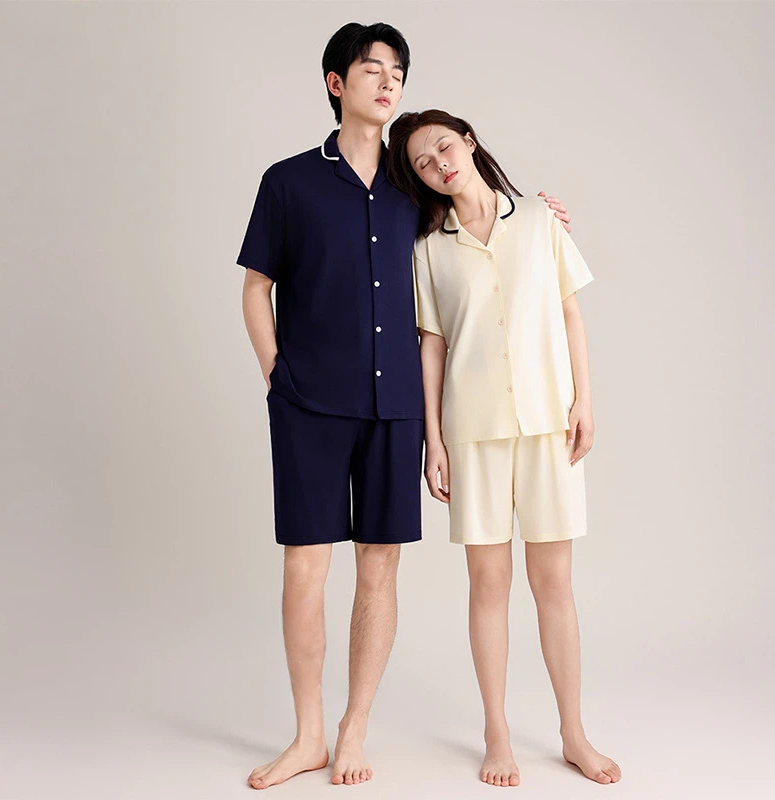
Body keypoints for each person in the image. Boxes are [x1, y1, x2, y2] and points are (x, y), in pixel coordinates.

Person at [236, 24, 573, 789]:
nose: (389, 82)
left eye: (398, 71)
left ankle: (353, 728)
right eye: (372, 69)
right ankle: (307, 736)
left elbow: (487, 219)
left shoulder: (415, 187)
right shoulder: (288, 182)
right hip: (309, 404)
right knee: (305, 568)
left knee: (380, 568)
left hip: (396, 409)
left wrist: (546, 212)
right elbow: (256, 286)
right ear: (336, 83)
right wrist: (277, 376)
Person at [387, 109, 622, 788]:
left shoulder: (542, 220)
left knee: (555, 584)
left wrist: (584, 400)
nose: (439, 164)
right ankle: (496, 733)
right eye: (424, 163)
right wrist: (433, 440)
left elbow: (570, 311)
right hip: (473, 432)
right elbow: (432, 346)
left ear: (468, 141)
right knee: (487, 586)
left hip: (549, 423)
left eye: (444, 147)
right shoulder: (428, 249)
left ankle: (573, 733)